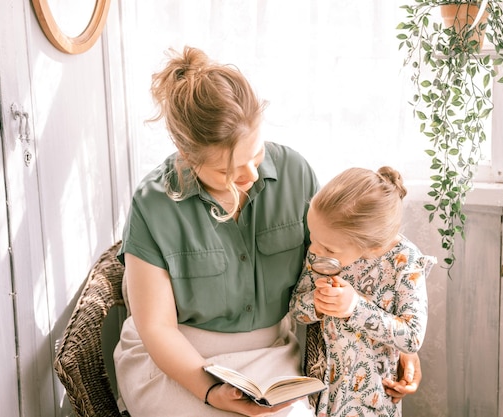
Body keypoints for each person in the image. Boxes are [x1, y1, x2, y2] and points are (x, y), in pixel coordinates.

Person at [113, 46, 422, 417]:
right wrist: (209, 389)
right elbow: (157, 328)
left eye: (256, 156)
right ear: (186, 153)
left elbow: (348, 260)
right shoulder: (153, 204)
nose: (252, 176)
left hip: (272, 357)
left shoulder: (295, 173)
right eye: (230, 172)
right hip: (175, 361)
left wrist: (402, 345)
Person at [290, 167, 436, 417]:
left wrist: (355, 308)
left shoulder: (404, 262)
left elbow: (412, 338)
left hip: (374, 402)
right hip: (320, 398)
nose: (314, 249)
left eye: (327, 247)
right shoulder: (323, 250)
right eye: (312, 236)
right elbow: (296, 310)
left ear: (370, 244)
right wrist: (316, 303)